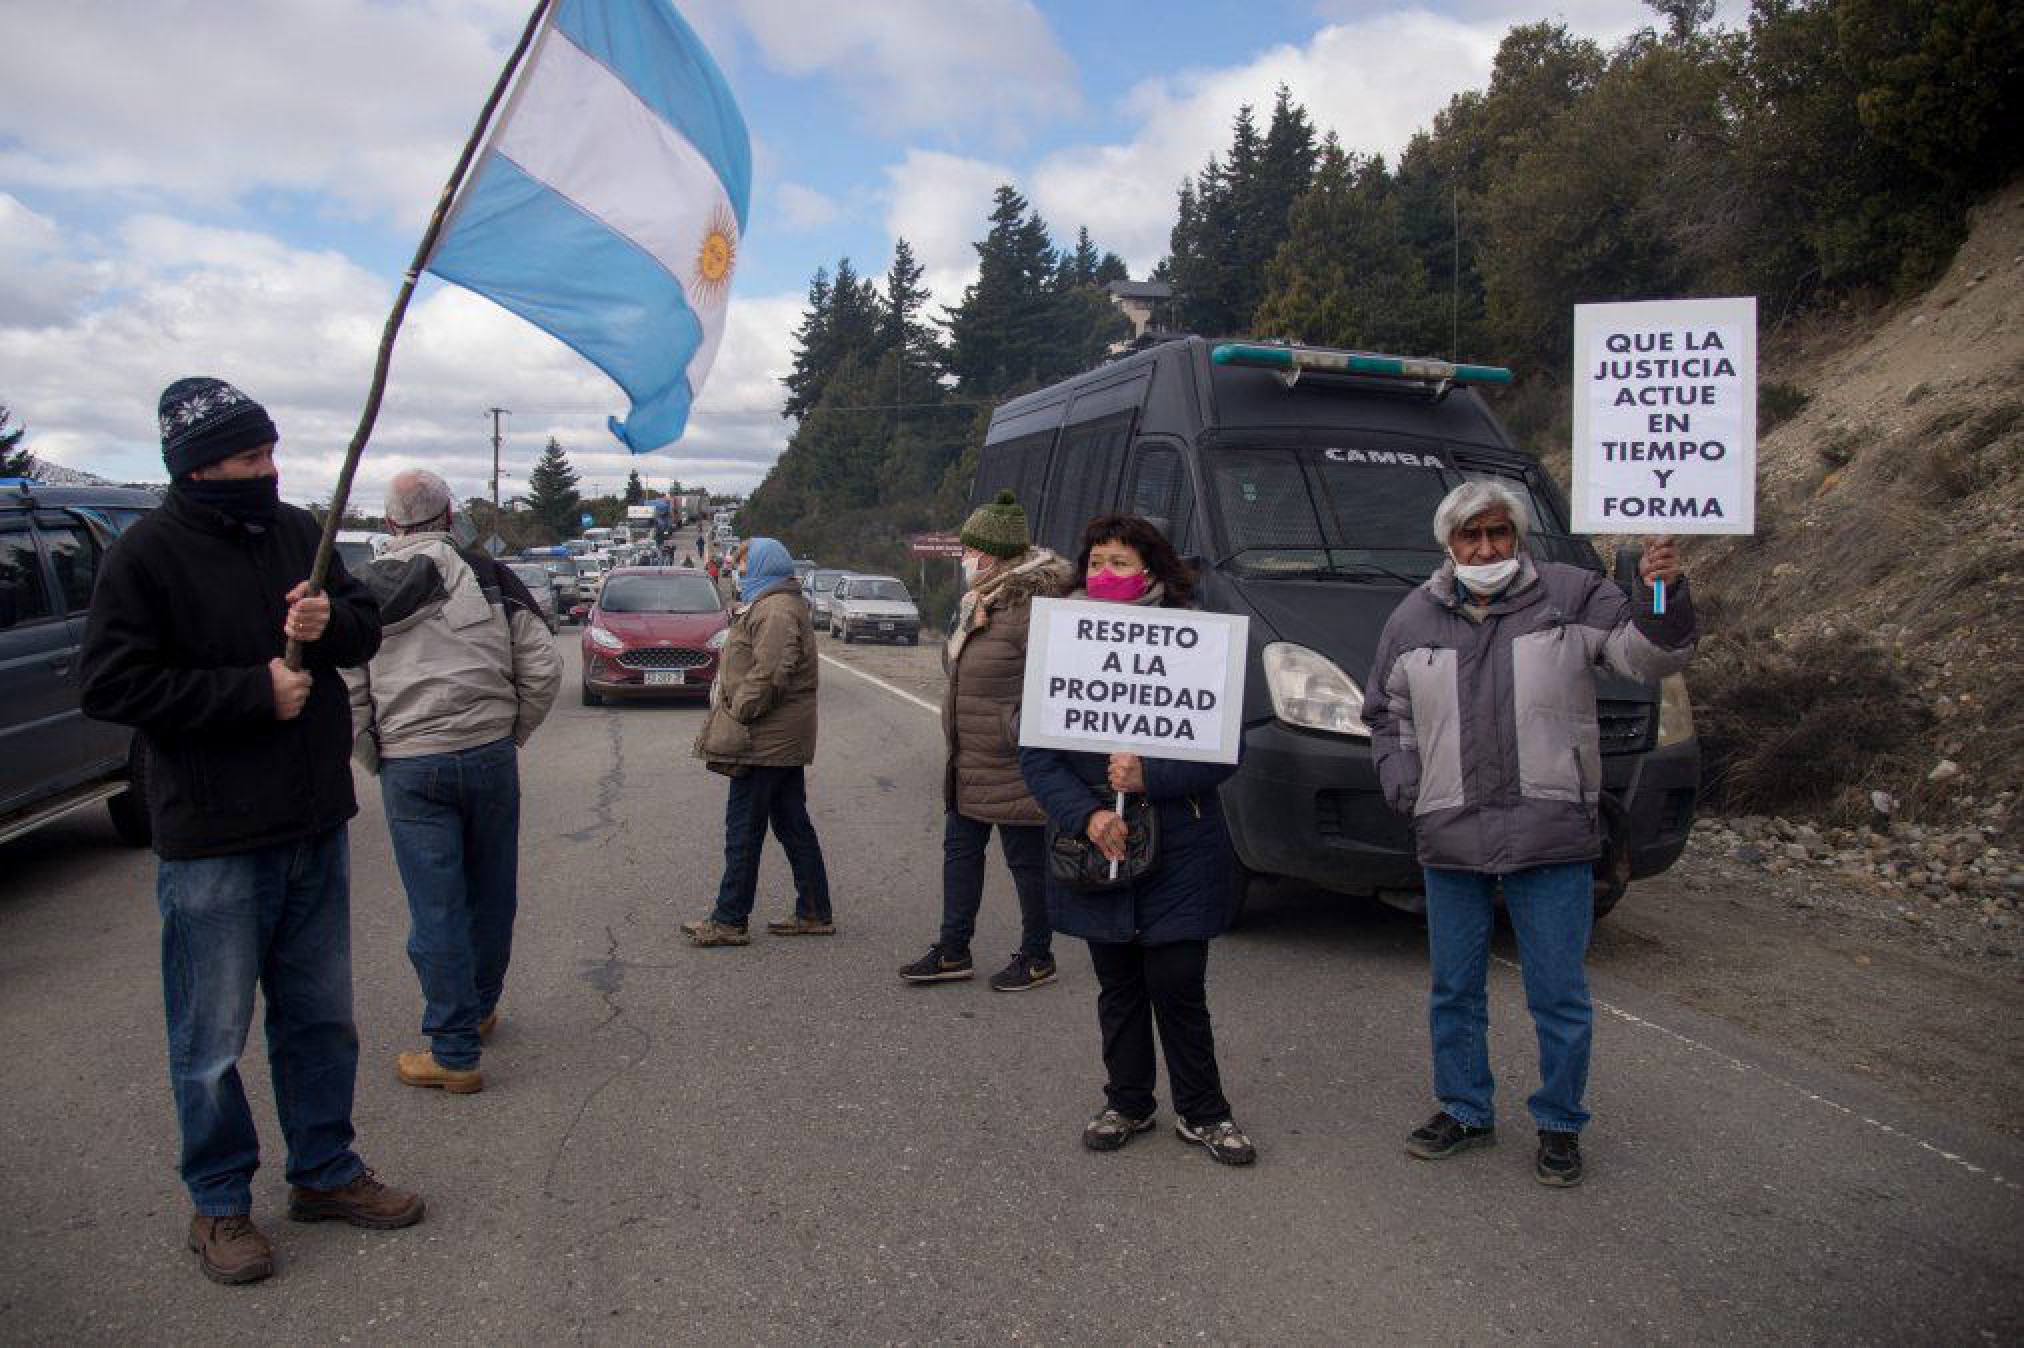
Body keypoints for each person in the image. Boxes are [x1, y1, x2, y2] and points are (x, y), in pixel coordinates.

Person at [80, 377, 422, 1286]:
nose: (266, 470)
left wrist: (332, 619)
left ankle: (325, 1171)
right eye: (247, 458)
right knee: (210, 1039)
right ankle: (220, 1201)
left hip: (312, 819)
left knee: (321, 1020)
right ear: (197, 467)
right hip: (213, 837)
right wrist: (249, 693)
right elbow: (109, 685)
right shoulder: (145, 556)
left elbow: (362, 631)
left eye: (270, 452)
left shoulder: (298, 532)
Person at [1363, 480, 1697, 1188]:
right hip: (1452, 831)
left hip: (1552, 832)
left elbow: (1651, 657)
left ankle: (1560, 1124)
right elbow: (1386, 714)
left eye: (1499, 533)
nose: (1487, 548)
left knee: (1558, 993)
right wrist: (1407, 785)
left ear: (1518, 537)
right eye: (1471, 535)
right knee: (1455, 989)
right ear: (1448, 544)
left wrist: (1661, 591)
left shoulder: (1572, 595)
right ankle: (1465, 1110)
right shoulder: (1412, 617)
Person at [1018, 515, 1256, 1166]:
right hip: (1100, 844)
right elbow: (1037, 756)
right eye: (1096, 562)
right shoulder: (1060, 639)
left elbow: (1226, 750)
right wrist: (1088, 816)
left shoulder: (1196, 642)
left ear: (1152, 569)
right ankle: (1127, 1101)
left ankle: (1205, 1113)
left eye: (1119, 562)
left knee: (1177, 981)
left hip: (1182, 845)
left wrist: (1154, 775)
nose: (1105, 574)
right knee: (1117, 982)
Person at [342, 470, 561, 1096]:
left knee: (435, 906)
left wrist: (377, 755)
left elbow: (348, 693)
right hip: (488, 754)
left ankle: (455, 1048)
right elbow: (543, 667)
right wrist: (510, 731)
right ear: (448, 517)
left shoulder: (360, 592)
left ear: (390, 524)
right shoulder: (489, 576)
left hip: (411, 762)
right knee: (491, 892)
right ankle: (480, 1007)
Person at [900, 490, 1074, 991]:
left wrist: (1015, 731)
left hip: (1012, 761)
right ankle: (953, 950)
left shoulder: (1030, 608)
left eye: (972, 550)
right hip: (969, 756)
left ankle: (1038, 955)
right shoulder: (983, 600)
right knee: (960, 854)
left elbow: (1055, 684)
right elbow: (957, 666)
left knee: (1026, 863)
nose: (966, 559)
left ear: (995, 555)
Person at [682, 537, 833, 945]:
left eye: (744, 564)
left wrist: (738, 710)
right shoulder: (771, 604)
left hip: (764, 740)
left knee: (743, 831)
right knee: (792, 824)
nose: (738, 571)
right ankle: (814, 910)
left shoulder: (776, 610)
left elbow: (770, 673)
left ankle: (729, 920)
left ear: (766, 565)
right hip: (776, 739)